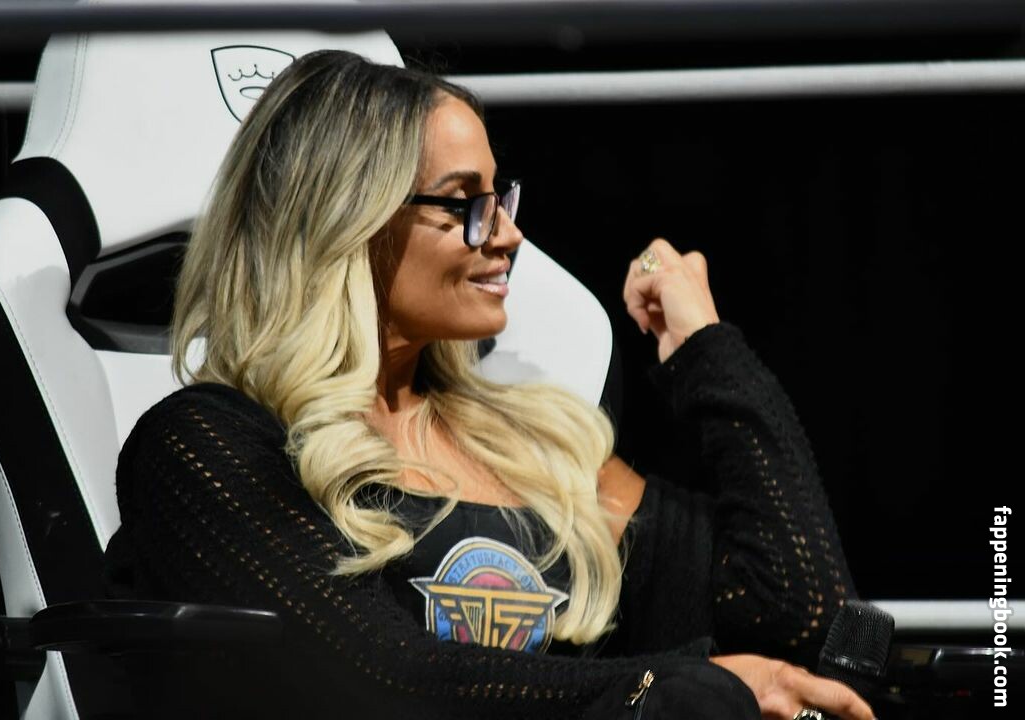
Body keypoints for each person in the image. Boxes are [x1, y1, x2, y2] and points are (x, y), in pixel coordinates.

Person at [105, 49, 874, 720]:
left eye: (500, 199)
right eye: (465, 202)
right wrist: (659, 691)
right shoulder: (205, 447)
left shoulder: (534, 447)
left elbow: (802, 618)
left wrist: (703, 348)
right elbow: (378, 683)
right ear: (349, 219)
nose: (507, 235)